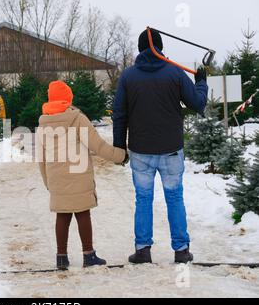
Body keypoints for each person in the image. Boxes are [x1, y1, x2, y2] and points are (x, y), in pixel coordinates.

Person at [112, 29, 209, 264]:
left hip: (140, 150)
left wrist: (119, 147)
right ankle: (182, 250)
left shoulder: (128, 76)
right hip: (171, 149)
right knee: (174, 198)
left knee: (143, 199)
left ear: (139, 48)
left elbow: (119, 114)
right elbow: (197, 103)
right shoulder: (174, 73)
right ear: (160, 46)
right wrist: (201, 83)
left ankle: (143, 250)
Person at [37, 81, 126, 270]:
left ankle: (61, 257)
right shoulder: (77, 118)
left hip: (57, 179)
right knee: (83, 212)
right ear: (68, 97)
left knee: (62, 215)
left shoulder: (43, 123)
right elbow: (98, 146)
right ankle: (89, 255)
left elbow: (42, 159)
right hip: (79, 176)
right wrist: (120, 156)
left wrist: (48, 182)